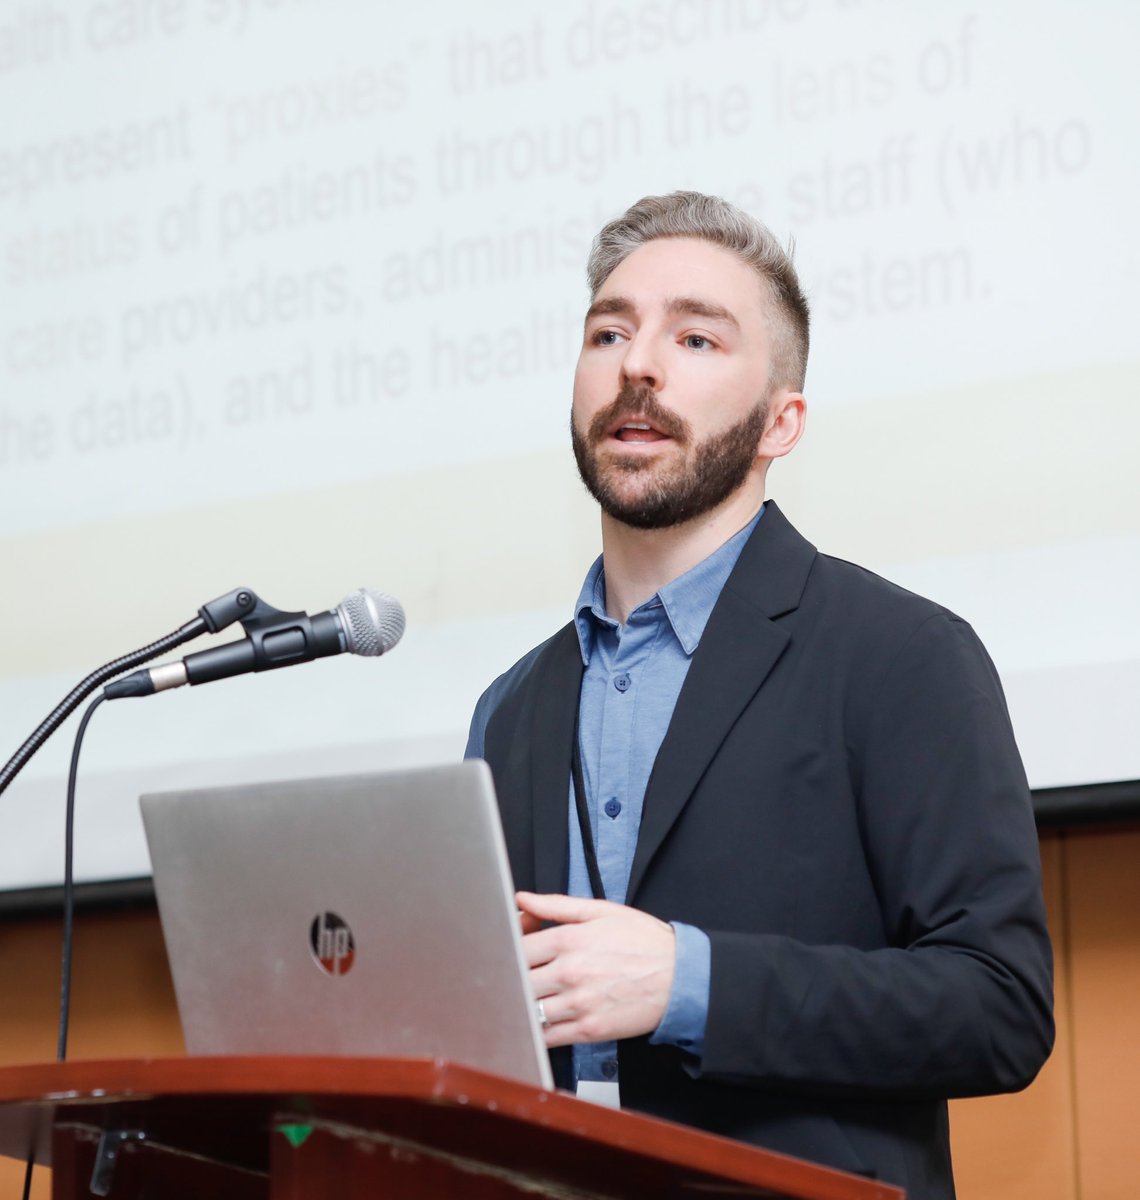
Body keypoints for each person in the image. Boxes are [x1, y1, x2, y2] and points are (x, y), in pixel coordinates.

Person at [465, 191, 1053, 1197]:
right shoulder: (510, 707)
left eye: (695, 338)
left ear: (782, 422)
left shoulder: (902, 656)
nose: (637, 364)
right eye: (609, 331)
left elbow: (997, 1007)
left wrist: (686, 984)